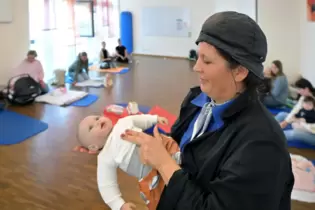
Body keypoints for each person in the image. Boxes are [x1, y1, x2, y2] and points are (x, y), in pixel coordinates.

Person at [121, 11, 294, 210]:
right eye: (198, 57)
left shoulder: (262, 144)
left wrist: (163, 163)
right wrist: (162, 145)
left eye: (207, 60)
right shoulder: (197, 101)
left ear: (240, 71)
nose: (196, 67)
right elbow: (183, 152)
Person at [75, 113, 180, 210]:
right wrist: (119, 205)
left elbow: (139, 119)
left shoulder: (122, 122)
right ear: (93, 147)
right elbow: (106, 185)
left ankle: (181, 156)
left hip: (160, 148)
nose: (97, 122)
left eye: (97, 118)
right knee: (158, 198)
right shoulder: (105, 157)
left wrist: (155, 118)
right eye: (91, 127)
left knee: (169, 144)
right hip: (150, 176)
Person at [275, 80, 315, 145]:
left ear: (306, 89)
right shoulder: (304, 97)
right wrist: (286, 121)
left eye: (299, 89)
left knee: (295, 133)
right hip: (304, 123)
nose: (298, 92)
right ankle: (267, 127)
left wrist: (301, 124)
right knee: (282, 114)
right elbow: (296, 109)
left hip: (312, 132)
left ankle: (270, 137)